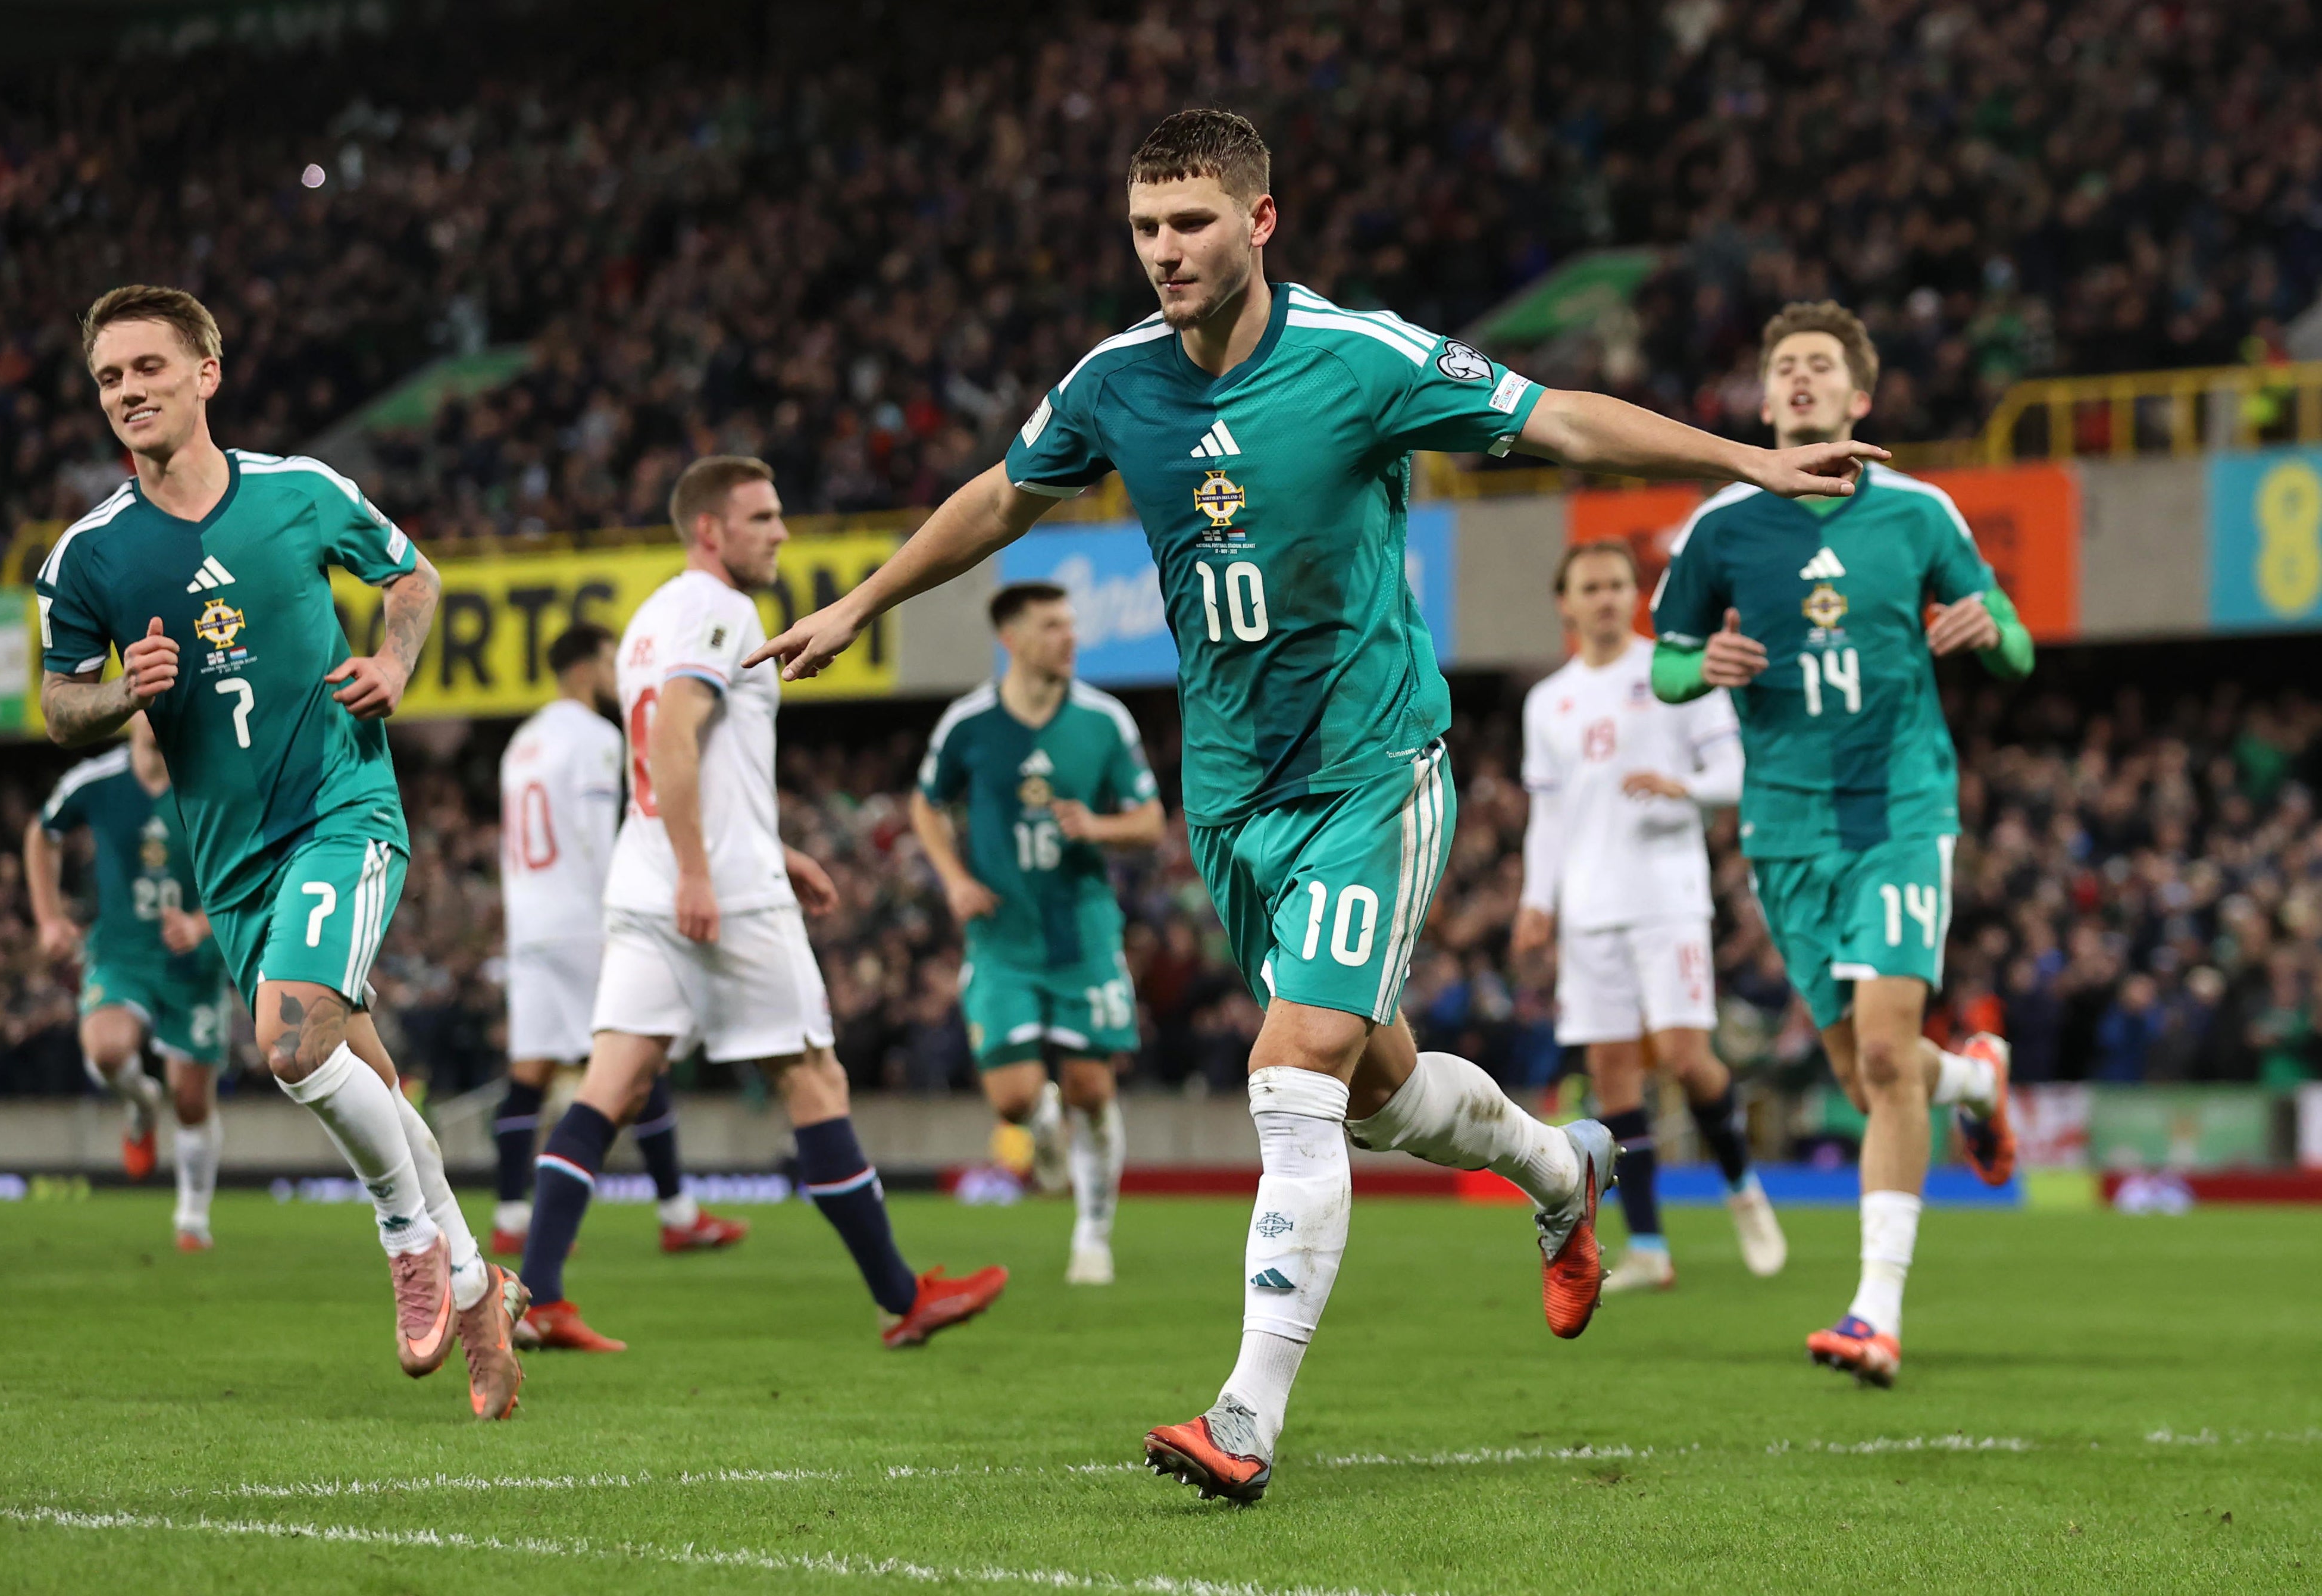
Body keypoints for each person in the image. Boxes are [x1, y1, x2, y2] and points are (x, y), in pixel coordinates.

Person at [752, 110, 1884, 1501]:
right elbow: (1001, 497)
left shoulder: (1362, 359)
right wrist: (860, 603)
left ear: (1260, 221)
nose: (1165, 250)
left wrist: (1744, 460)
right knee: (1376, 1096)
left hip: (1371, 772)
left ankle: (1245, 1417)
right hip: (1232, 798)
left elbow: (1557, 417)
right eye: (1145, 227)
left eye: (1191, 222)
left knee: (1289, 1076)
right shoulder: (1114, 381)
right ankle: (1558, 1169)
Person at [35, 284, 527, 1419]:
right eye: (109, 378)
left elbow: (412, 577)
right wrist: (120, 694)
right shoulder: (89, 555)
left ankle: (407, 1240)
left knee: (293, 1042)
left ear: (206, 373)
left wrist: (395, 664)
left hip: (341, 809)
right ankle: (477, 1285)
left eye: (149, 367)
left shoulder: (301, 491)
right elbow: (60, 704)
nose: (128, 392)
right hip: (232, 864)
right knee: (368, 1079)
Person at [515, 455, 1008, 1353]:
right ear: (711, 529)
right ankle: (903, 1299)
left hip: (645, 879)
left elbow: (677, 763)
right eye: (764, 517)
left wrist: (766, 847)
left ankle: (539, 1294)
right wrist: (704, 872)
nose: (782, 531)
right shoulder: (723, 610)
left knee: (610, 1086)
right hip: (721, 894)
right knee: (813, 1078)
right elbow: (674, 737)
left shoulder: (648, 619)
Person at [1648, 300, 2033, 1387]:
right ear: (1766, 399)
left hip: (1899, 810)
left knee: (1883, 1053)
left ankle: (1875, 1311)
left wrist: (1990, 630)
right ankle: (1974, 1083)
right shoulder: (1721, 526)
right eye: (1786, 365)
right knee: (1869, 1082)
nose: (1802, 377)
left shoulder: (1918, 512)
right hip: (1784, 828)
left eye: (1822, 364)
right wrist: (1701, 666)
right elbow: (1664, 662)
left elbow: (2014, 644)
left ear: (1859, 397)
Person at [1512, 541, 1784, 1293]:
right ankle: (1650, 1247)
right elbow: (1548, 818)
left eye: (1617, 585)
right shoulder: (1548, 702)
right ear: (1565, 603)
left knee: (1687, 1058)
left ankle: (1743, 1187)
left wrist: (1682, 786)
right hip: (1588, 910)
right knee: (1613, 1078)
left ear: (1636, 594)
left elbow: (1735, 773)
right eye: (1590, 587)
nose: (1605, 598)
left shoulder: (1675, 675)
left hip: (1667, 898)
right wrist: (1537, 901)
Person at [910, 582, 1166, 1285]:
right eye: (1052, 626)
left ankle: (1093, 1235)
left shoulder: (1104, 720)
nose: (1069, 637)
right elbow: (926, 804)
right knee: (1013, 1099)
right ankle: (1045, 1127)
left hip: (1081, 934)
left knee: (1091, 1086)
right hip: (1002, 937)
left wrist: (1099, 827)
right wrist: (953, 878)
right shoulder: (969, 723)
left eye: (1070, 624)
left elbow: (1150, 822)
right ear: (1012, 639)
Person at [489, 621, 746, 1258]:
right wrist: (621, 918)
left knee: (530, 1071)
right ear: (584, 668)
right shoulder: (598, 737)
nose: (615, 673)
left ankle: (510, 1215)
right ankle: (677, 1212)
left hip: (529, 923)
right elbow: (595, 837)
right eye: (608, 662)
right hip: (583, 920)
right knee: (640, 1054)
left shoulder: (521, 742)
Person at [24, 712, 234, 1248]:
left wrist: (200, 925)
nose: (158, 712)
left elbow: (251, 868)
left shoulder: (216, 778)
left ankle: (192, 1218)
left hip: (194, 962)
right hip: (121, 955)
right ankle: (141, 1103)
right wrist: (49, 919)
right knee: (107, 1051)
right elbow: (42, 833)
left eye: (170, 700)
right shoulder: (95, 781)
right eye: (148, 701)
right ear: (130, 710)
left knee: (192, 1100)